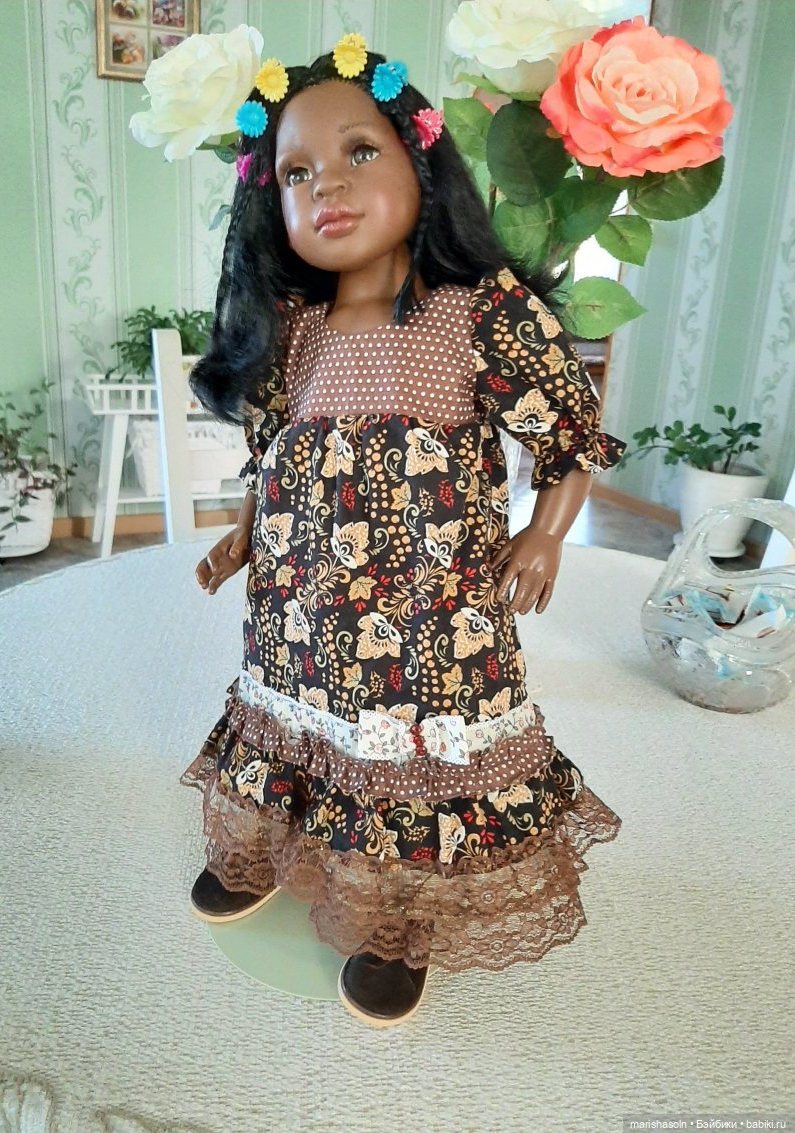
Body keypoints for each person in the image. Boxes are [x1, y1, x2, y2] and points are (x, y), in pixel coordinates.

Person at [180, 34, 625, 1028]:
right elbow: (276, 456)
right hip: (297, 619)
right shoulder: (294, 330)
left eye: (358, 152)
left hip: (427, 626)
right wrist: (243, 533)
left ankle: (391, 915)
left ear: (420, 159)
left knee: (405, 759)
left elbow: (567, 434)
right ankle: (270, 845)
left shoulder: (474, 315)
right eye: (297, 174)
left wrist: (546, 532)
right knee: (292, 727)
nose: (327, 186)